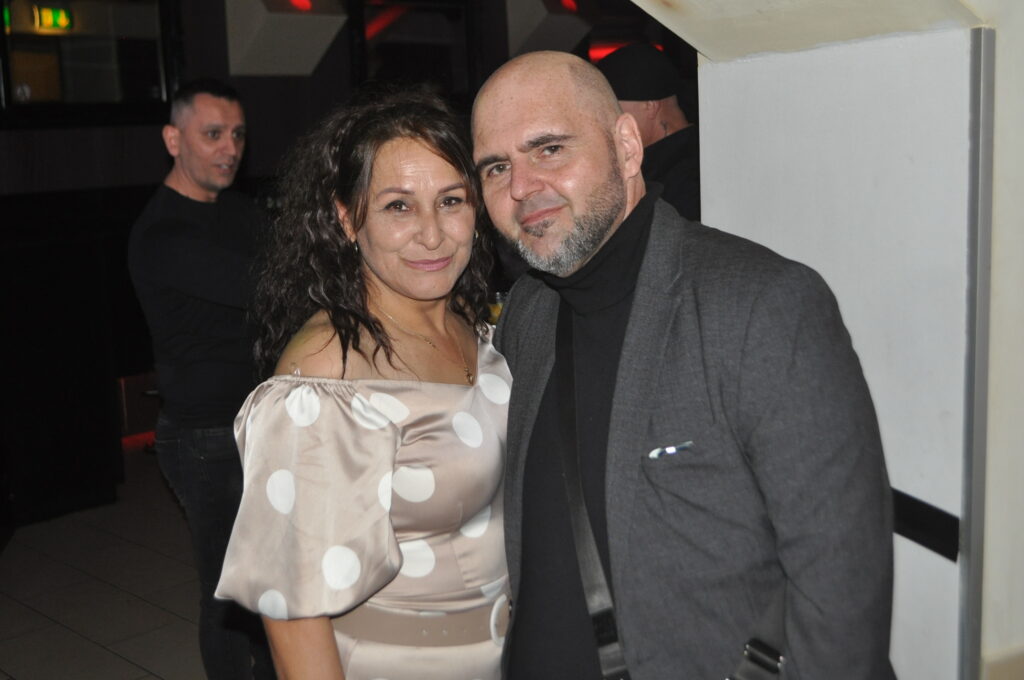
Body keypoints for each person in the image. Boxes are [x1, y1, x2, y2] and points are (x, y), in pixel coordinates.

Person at [471, 51, 896, 679]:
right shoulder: (529, 314)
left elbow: (843, 594)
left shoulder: (761, 304)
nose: (521, 187)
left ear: (626, 147)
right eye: (496, 166)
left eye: (550, 149)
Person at [214, 88, 512, 680]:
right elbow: (294, 613)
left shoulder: (473, 322)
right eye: (398, 206)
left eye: (451, 200)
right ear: (347, 218)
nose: (432, 234)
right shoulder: (327, 376)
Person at [128, 78, 275, 679]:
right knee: (229, 594)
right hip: (206, 436)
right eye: (213, 134)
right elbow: (270, 289)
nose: (230, 148)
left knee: (269, 583)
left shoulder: (238, 211)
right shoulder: (162, 232)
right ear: (173, 139)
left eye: (237, 134)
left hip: (259, 421)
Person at [597, 41, 701, 221]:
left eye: (612, 109)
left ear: (650, 106)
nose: (604, 122)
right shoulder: (694, 155)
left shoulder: (691, 176)